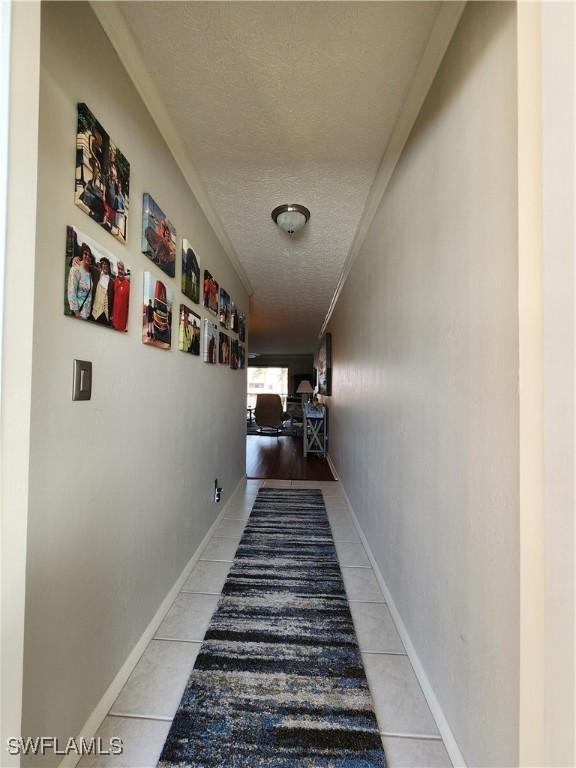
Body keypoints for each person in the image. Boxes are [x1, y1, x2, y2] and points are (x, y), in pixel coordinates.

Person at [67, 243, 94, 319]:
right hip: (78, 314)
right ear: (81, 255)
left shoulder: (89, 273)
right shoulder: (75, 270)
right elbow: (72, 291)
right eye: (85, 254)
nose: (88, 257)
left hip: (87, 315)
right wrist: (77, 313)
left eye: (89, 256)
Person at [91, 257, 114, 325]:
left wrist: (112, 314)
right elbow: (86, 265)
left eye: (107, 264)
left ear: (109, 267)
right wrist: (75, 258)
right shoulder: (96, 273)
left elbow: (113, 298)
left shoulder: (112, 282)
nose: (105, 265)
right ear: (101, 265)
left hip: (105, 315)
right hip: (95, 313)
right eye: (103, 264)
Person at [111, 260, 130, 332]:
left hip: (122, 322)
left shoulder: (127, 285)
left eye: (122, 269)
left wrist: (127, 324)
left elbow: (129, 306)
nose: (120, 271)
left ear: (124, 270)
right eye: (119, 268)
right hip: (113, 319)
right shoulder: (115, 281)